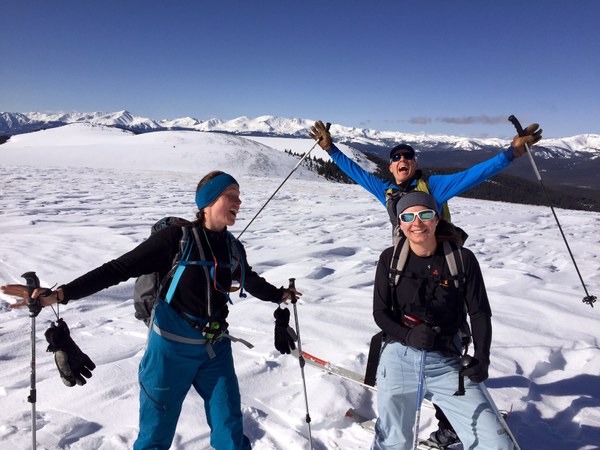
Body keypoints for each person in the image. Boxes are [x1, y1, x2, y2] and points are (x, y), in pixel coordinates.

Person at [1, 171, 300, 450]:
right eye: (230, 194)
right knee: (156, 434)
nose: (239, 201)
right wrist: (59, 295)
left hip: (215, 349)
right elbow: (118, 268)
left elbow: (249, 279)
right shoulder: (175, 239)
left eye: (239, 194)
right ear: (207, 203)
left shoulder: (233, 247)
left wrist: (280, 296)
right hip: (170, 349)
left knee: (230, 429)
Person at [309, 120, 541, 447]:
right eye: (396, 157)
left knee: (450, 334)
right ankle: (407, 392)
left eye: (408, 156)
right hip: (404, 271)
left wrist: (511, 154)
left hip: (444, 271)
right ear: (391, 166)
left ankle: (450, 421)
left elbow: (474, 175)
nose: (402, 160)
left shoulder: (433, 188)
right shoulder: (387, 191)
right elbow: (358, 175)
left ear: (414, 163)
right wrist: (330, 149)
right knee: (402, 328)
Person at [371, 191, 513, 450]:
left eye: (425, 214)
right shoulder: (389, 259)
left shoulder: (462, 259)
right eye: (408, 216)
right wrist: (407, 335)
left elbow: (479, 312)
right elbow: (380, 313)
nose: (417, 223)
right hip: (399, 356)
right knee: (394, 441)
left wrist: (483, 356)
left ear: (437, 219)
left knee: (496, 443)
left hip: (447, 360)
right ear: (400, 223)